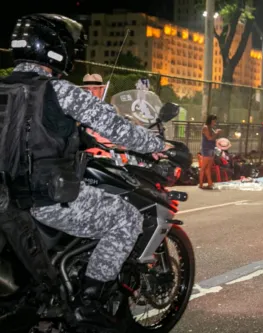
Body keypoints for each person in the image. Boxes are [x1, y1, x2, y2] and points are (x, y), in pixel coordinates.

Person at [3, 14, 173, 329]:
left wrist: (76, 136)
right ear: (56, 48)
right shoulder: (59, 90)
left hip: (6, 200)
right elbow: (116, 127)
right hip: (45, 199)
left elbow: (26, 132)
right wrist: (154, 145)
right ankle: (89, 304)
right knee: (127, 219)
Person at [199, 114, 221, 189]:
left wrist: (216, 135)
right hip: (207, 149)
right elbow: (209, 138)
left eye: (215, 121)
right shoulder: (205, 128)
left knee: (208, 168)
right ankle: (201, 184)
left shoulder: (211, 128)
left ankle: (210, 183)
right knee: (203, 167)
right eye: (214, 120)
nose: (215, 122)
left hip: (211, 149)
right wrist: (216, 133)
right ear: (210, 120)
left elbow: (213, 138)